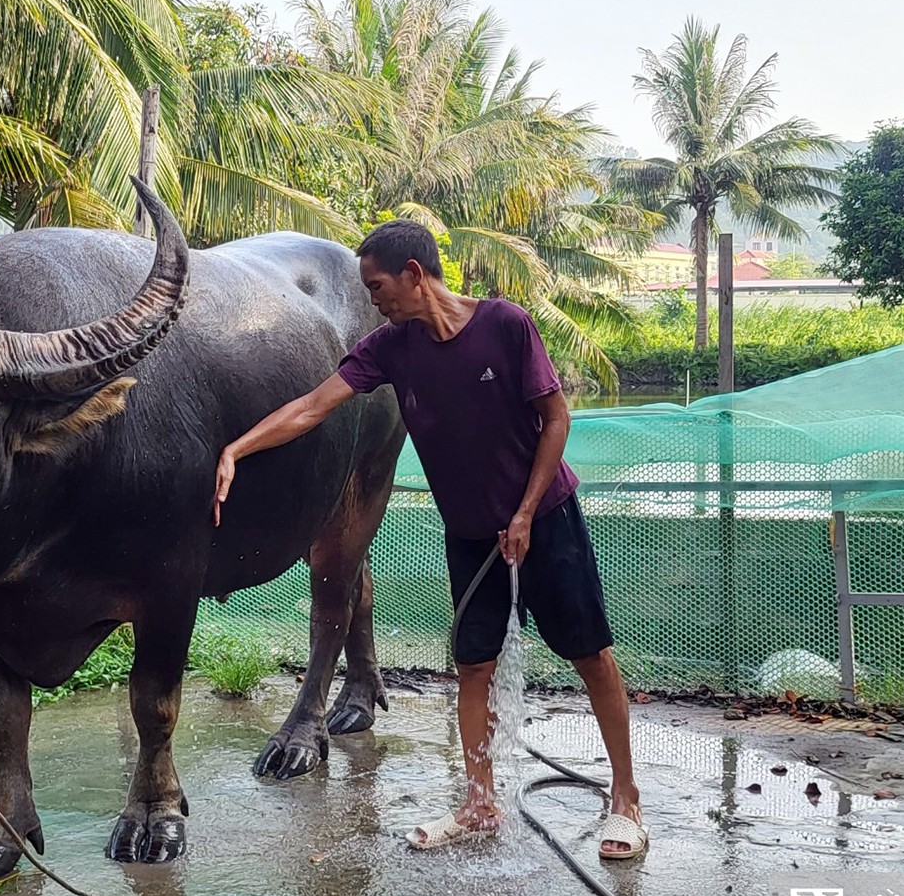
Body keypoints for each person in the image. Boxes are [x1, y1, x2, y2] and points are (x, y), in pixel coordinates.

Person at [212, 219, 647, 860]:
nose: (374, 299)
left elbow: (555, 418)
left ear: (415, 274)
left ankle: (626, 800)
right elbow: (313, 405)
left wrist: (526, 513)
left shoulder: (505, 325)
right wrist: (237, 448)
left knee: (590, 656)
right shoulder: (391, 347)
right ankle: (479, 803)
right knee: (473, 666)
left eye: (378, 285)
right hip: (471, 534)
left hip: (545, 520)